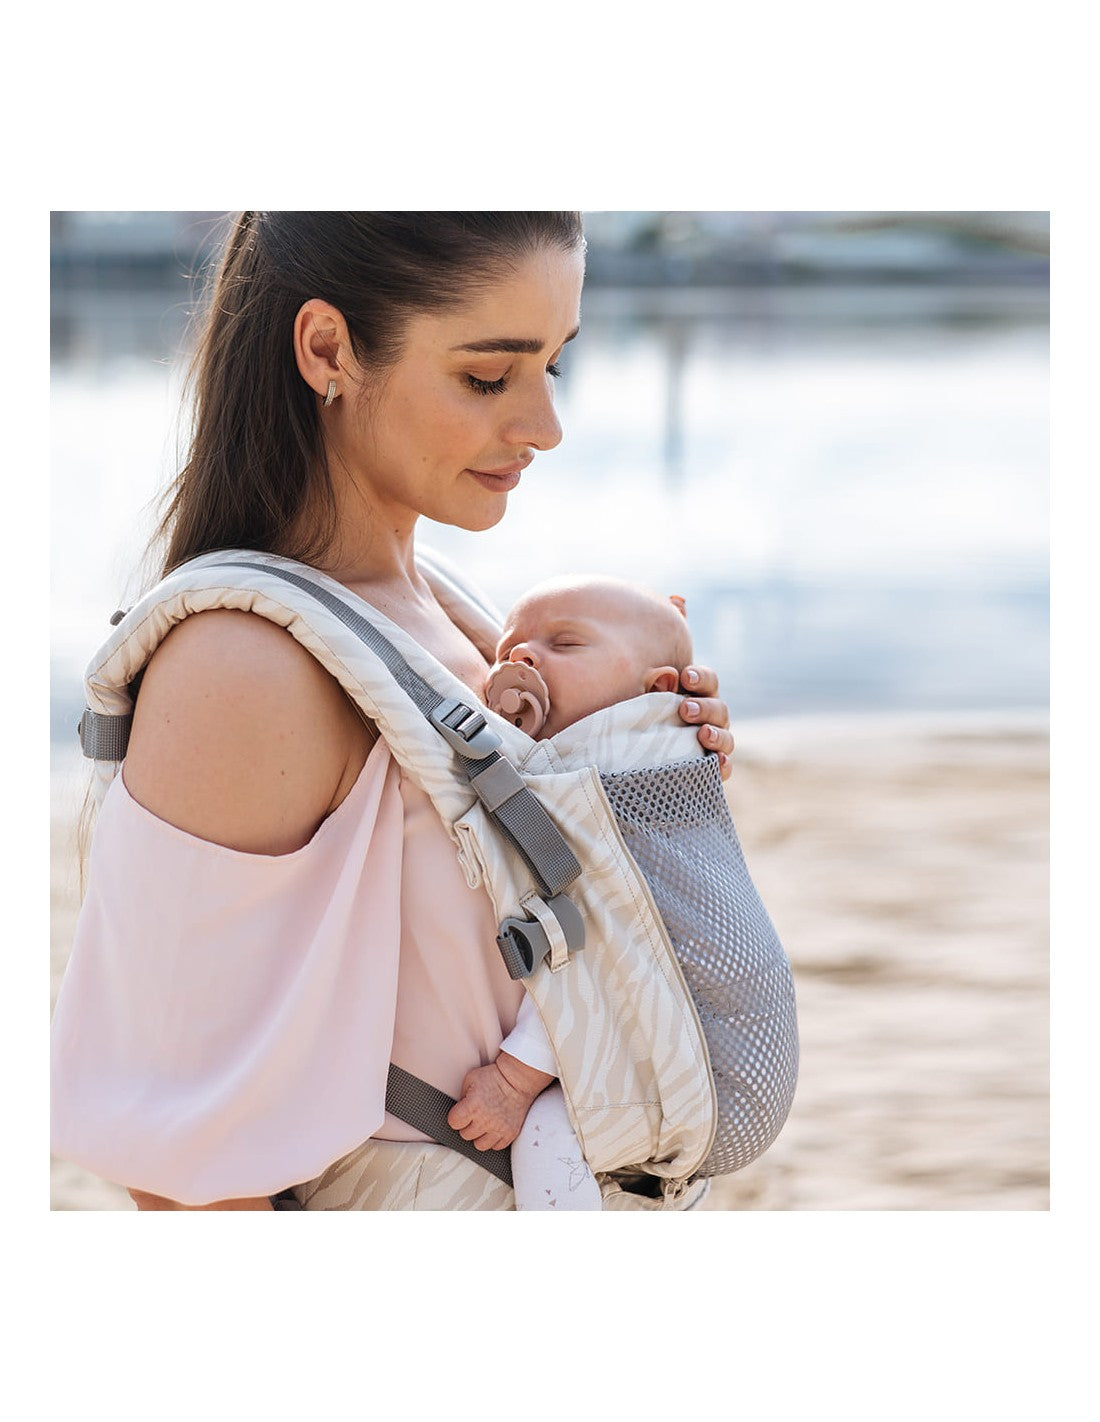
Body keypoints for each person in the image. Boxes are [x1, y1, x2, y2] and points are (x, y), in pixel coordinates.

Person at [50, 212, 734, 1212]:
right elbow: (185, 1173)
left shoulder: (455, 618)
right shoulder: (244, 667)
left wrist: (651, 773)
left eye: (554, 365)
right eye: (489, 376)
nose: (544, 425)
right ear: (328, 350)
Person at [449, 573, 696, 1209]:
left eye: (564, 643)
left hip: (651, 1040)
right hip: (660, 1030)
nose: (521, 659)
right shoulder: (652, 762)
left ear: (658, 689)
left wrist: (514, 1079)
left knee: (546, 1135)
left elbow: (585, 945)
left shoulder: (610, 788)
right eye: (508, 652)